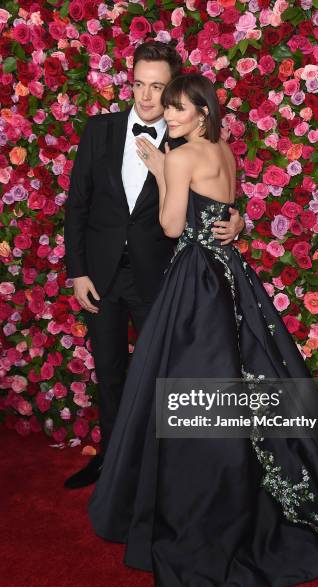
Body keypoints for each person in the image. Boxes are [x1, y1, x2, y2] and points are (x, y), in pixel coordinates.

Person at [88, 73, 318, 587]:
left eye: (178, 108)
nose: (168, 115)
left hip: (193, 279)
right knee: (247, 374)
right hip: (230, 275)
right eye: (166, 107)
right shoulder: (223, 149)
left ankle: (209, 490)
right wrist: (180, 178)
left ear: (202, 113)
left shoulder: (180, 155)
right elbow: (223, 205)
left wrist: (163, 169)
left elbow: (172, 227)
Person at [63, 42, 244, 489]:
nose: (146, 97)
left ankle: (157, 468)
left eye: (157, 87)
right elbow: (78, 205)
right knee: (109, 371)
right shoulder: (99, 129)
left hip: (161, 278)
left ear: (173, 90)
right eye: (139, 84)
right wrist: (78, 270)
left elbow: (208, 198)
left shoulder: (186, 138)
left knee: (166, 377)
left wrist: (235, 220)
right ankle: (110, 461)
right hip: (101, 275)